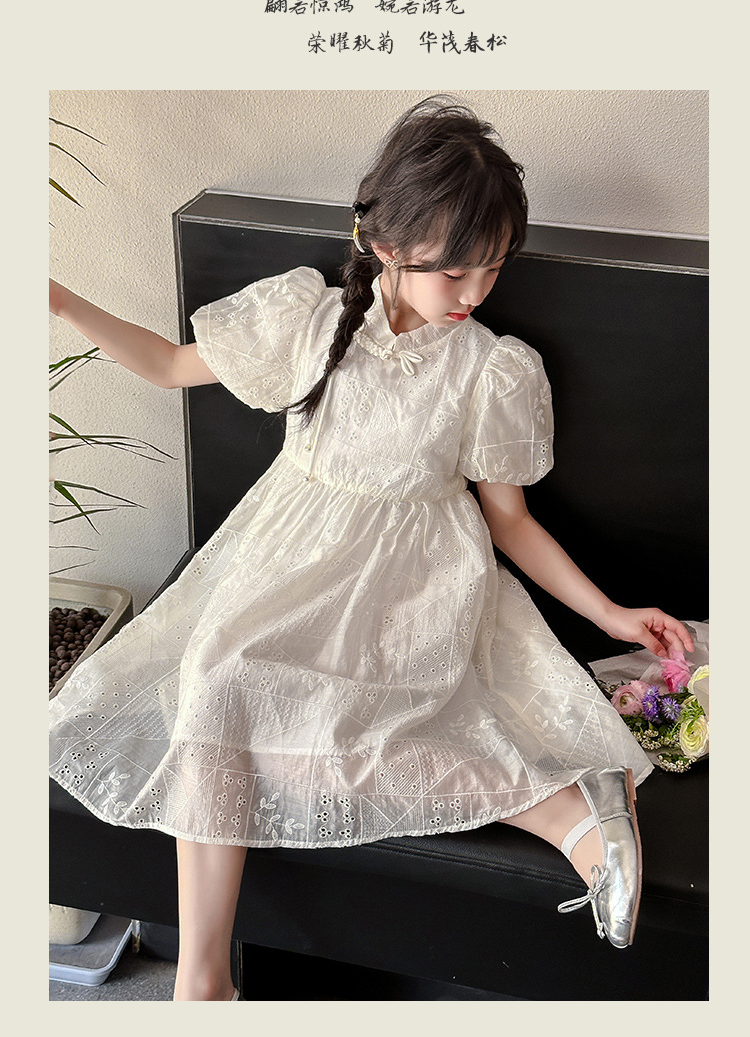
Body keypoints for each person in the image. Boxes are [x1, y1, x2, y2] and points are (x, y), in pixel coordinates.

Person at [49, 97, 694, 1001]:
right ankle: (205, 979)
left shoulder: (490, 367)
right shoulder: (309, 322)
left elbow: (510, 521)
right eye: (456, 270)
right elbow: (166, 365)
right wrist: (56, 298)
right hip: (283, 568)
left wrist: (611, 613)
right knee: (219, 680)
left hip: (413, 585)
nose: (475, 293)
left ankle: (566, 810)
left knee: (349, 720)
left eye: (494, 267)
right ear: (385, 246)